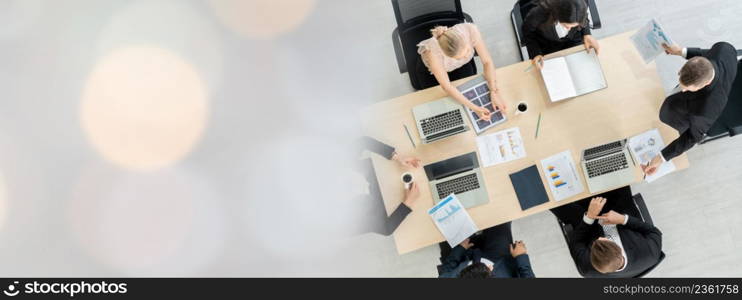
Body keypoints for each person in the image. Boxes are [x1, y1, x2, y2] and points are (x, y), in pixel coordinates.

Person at [643, 42, 738, 176]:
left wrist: (661, 157)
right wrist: (680, 52)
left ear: (706, 83)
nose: (682, 89)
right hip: (725, 77)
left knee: (670, 114)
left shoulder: (706, 109)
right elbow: (705, 57)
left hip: (708, 112)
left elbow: (692, 137)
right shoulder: (724, 48)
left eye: (687, 88)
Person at [550, 187, 662, 278]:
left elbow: (576, 242)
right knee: (616, 173)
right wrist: (623, 219)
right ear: (619, 250)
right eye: (605, 240)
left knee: (551, 196)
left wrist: (589, 217)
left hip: (585, 225)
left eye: (595, 244)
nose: (599, 239)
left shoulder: (588, 269)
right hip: (620, 212)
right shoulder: (650, 254)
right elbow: (653, 231)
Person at [417, 23, 508, 121]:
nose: (466, 57)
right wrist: (475, 108)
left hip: (461, 67)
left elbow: (487, 61)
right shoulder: (432, 52)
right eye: (459, 57)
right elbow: (446, 86)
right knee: (441, 108)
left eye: (468, 51)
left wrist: (494, 91)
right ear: (446, 55)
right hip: (432, 73)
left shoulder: (470, 30)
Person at [355, 136, 421, 236]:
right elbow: (386, 229)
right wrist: (408, 202)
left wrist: (397, 157)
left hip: (381, 169)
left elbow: (363, 141)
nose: (367, 184)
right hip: (386, 201)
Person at [438, 222, 535, 278]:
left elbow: (446, 271)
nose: (491, 267)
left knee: (449, 222)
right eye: (489, 270)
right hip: (499, 259)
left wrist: (459, 249)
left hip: (463, 257)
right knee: (500, 218)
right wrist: (521, 257)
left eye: (489, 269)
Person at [522, 0, 600, 70]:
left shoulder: (582, 2)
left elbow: (584, 16)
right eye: (566, 26)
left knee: (582, 65)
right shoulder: (539, 12)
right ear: (557, 15)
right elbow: (528, 32)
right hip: (546, 43)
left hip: (573, 38)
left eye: (573, 26)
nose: (568, 29)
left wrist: (587, 34)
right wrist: (535, 53)